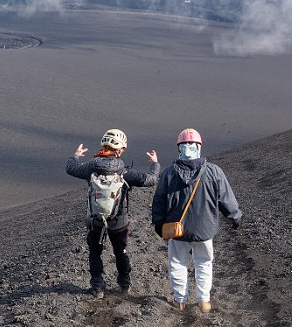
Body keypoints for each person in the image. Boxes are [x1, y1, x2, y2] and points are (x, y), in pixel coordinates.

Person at [151, 128, 242, 313]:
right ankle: (204, 301)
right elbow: (226, 198)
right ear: (199, 147)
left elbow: (159, 202)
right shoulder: (214, 172)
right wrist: (235, 217)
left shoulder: (169, 174)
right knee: (204, 263)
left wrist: (159, 225)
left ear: (179, 147)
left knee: (177, 263)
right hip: (205, 230)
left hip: (178, 231)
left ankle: (180, 301)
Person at [66, 129, 160, 297]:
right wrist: (155, 163)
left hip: (95, 221)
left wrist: (76, 155)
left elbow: (70, 168)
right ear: (120, 150)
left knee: (95, 252)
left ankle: (98, 287)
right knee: (120, 252)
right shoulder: (124, 171)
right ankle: (124, 285)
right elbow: (151, 180)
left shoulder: (90, 167)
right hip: (118, 222)